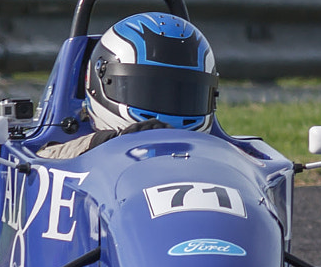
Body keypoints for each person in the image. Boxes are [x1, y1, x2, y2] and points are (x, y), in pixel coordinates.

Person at [39, 12, 218, 159]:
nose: (162, 121)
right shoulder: (65, 155)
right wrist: (107, 142)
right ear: (100, 81)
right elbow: (42, 160)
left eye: (183, 94)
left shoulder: (224, 156)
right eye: (149, 92)